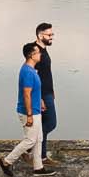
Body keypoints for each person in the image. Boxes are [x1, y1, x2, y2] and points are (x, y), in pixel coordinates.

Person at [0, 42, 54, 177]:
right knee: (30, 140)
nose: (40, 54)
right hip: (28, 112)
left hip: (35, 110)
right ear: (31, 55)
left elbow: (34, 91)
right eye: (38, 52)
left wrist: (40, 100)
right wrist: (29, 114)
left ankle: (38, 168)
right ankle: (6, 161)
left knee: (39, 138)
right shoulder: (28, 72)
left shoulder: (31, 69)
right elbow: (26, 94)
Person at [34, 21, 60, 163]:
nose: (51, 37)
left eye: (52, 34)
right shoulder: (35, 51)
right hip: (42, 95)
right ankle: (30, 148)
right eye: (49, 34)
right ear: (40, 35)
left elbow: (45, 72)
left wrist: (52, 89)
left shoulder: (43, 48)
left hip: (48, 92)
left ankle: (42, 156)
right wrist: (40, 98)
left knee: (44, 124)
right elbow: (34, 76)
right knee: (51, 124)